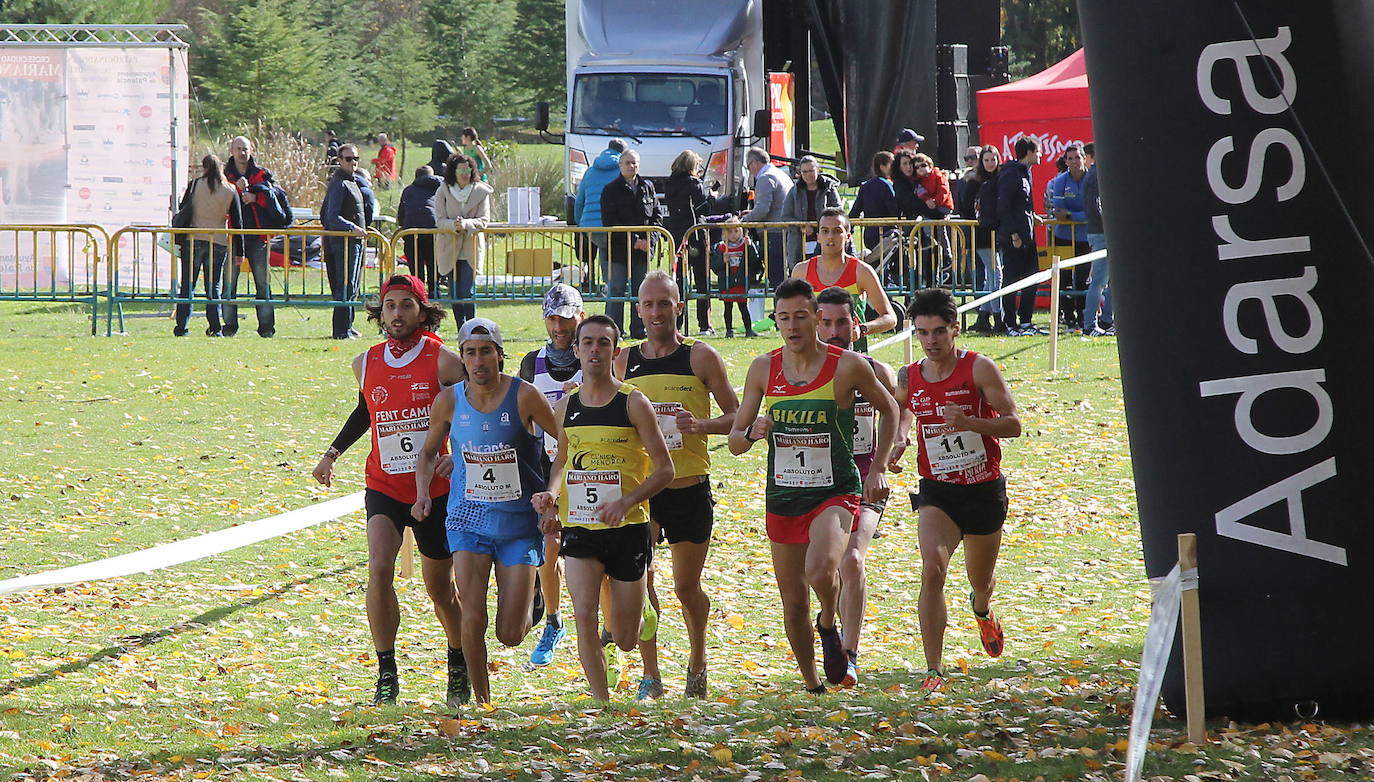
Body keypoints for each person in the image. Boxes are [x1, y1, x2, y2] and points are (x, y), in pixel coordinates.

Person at [728, 278, 897, 692]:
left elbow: (890, 409)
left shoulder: (846, 365)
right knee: (792, 602)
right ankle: (812, 684)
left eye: (801, 317)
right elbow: (734, 442)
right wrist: (754, 432)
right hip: (784, 496)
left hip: (834, 490)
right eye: (783, 318)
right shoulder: (763, 368)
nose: (792, 326)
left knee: (821, 570)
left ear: (817, 319)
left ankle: (828, 621)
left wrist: (877, 468)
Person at [310, 274, 468, 707]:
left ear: (422, 310)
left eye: (405, 305)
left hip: (435, 489)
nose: (396, 313)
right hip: (384, 484)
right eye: (389, 305)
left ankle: (458, 662)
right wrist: (332, 453)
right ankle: (386, 672)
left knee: (440, 589)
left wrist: (463, 453)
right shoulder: (366, 361)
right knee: (379, 568)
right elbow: (366, 410)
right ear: (380, 312)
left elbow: (477, 404)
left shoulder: (444, 361)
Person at [412, 318, 558, 704]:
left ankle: (534, 594)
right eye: (470, 353)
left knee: (510, 633)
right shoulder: (448, 400)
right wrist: (423, 493)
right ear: (462, 359)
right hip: (467, 520)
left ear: (499, 354)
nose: (479, 361)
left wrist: (552, 493)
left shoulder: (525, 396)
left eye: (486, 351)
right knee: (471, 615)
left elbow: (567, 443)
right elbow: (427, 451)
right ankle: (482, 702)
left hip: (517, 525)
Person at [532, 315, 677, 701]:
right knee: (583, 613)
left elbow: (666, 469)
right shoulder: (566, 406)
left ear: (614, 351)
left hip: (628, 528)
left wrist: (626, 501)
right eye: (588, 343)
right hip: (580, 527)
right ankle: (601, 702)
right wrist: (550, 495)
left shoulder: (633, 402)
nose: (595, 350)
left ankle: (640, 609)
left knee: (626, 638)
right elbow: (561, 461)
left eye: (603, 343)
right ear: (576, 349)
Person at [890, 287, 1022, 693]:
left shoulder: (979, 369)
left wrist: (971, 423)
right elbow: (904, 409)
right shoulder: (908, 375)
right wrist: (900, 437)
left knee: (980, 581)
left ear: (955, 329)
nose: (931, 341)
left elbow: (1013, 423)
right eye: (923, 333)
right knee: (932, 568)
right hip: (937, 491)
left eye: (939, 332)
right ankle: (934, 670)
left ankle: (982, 609)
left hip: (982, 490)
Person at [615, 271, 740, 699]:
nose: (655, 312)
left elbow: (737, 419)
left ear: (679, 308)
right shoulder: (624, 360)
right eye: (648, 304)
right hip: (644, 491)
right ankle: (651, 675)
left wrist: (701, 424)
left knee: (686, 587)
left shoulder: (700, 357)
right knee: (641, 580)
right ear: (638, 309)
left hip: (689, 487)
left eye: (664, 304)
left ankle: (698, 659)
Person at [814, 285, 898, 688]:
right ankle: (829, 627)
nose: (834, 331)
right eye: (826, 323)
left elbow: (897, 411)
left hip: (865, 482)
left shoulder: (876, 371)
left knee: (852, 561)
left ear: (856, 325)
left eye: (842, 322)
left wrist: (886, 457)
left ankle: (849, 655)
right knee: (821, 571)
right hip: (819, 485)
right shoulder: (806, 375)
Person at [518, 284, 586, 667]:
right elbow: (523, 413)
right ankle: (554, 622)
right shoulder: (532, 362)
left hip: (594, 465)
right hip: (547, 466)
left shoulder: (596, 351)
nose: (559, 326)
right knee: (549, 546)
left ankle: (603, 625)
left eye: (566, 317)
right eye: (553, 318)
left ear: (580, 315)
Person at [790, 208, 898, 347]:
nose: (830, 236)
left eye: (837, 231)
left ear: (848, 237)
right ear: (818, 237)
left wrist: (862, 329)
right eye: (825, 231)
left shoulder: (862, 271)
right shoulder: (801, 271)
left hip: (852, 356)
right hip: (813, 356)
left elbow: (890, 318)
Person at [173, 154, 242, 338]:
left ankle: (182, 327)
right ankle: (215, 327)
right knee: (213, 287)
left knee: (188, 286)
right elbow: (237, 221)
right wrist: (240, 250)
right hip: (218, 241)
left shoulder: (195, 185)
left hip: (194, 239)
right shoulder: (230, 189)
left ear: (203, 168)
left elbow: (184, 207)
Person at [600, 148, 662, 339]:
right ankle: (613, 331)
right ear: (620, 166)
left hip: (643, 252)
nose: (631, 166)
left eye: (634, 163)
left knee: (641, 291)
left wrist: (649, 242)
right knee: (616, 289)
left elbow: (657, 217)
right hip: (619, 250)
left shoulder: (648, 187)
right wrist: (635, 241)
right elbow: (609, 221)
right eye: (627, 163)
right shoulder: (610, 190)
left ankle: (639, 329)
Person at [222, 135, 278, 338]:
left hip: (257, 237)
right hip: (231, 237)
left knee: (263, 284)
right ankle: (229, 327)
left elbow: (275, 198)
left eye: (245, 148)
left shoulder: (262, 174)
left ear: (251, 149)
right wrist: (236, 189)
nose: (242, 153)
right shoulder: (223, 175)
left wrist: (255, 197)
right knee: (229, 285)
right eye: (238, 149)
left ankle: (266, 328)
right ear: (231, 151)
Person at [320, 143, 377, 340]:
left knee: (352, 286)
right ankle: (340, 330)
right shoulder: (339, 184)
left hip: (355, 242)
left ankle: (348, 325)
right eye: (348, 159)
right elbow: (331, 216)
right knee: (345, 285)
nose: (353, 162)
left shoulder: (353, 181)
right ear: (339, 161)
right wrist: (352, 228)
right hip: (342, 243)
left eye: (356, 159)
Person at [664, 149, 723, 334]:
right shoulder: (694, 183)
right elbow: (702, 209)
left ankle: (678, 321)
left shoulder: (669, 183)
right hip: (695, 234)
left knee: (680, 280)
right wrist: (712, 196)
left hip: (677, 234)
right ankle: (704, 323)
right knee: (701, 279)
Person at [435, 153, 493, 328]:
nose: (464, 174)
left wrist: (466, 224)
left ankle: (472, 325)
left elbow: (484, 220)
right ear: (453, 171)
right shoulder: (443, 190)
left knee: (467, 291)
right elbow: (439, 220)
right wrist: (453, 225)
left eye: (467, 170)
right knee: (454, 292)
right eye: (460, 170)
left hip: (471, 246)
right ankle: (461, 327)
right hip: (449, 247)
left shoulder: (481, 191)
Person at [997, 136, 1042, 336]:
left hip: (1028, 234)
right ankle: (1010, 323)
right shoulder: (1012, 174)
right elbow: (1004, 206)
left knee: (1033, 278)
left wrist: (1032, 217)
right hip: (1014, 237)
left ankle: (1026, 322)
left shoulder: (1025, 173)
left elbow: (1021, 204)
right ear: (1029, 152)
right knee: (1012, 280)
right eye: (1038, 151)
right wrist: (1014, 233)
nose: (1040, 155)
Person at [961, 146, 1005, 334]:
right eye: (986, 160)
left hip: (996, 232)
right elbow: (966, 208)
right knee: (996, 275)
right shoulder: (974, 181)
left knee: (991, 277)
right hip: (981, 234)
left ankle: (983, 316)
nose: (990, 164)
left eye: (993, 160)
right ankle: (998, 317)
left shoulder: (1001, 179)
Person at [1048, 144, 1091, 332]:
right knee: (1063, 278)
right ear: (1065, 161)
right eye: (1070, 158)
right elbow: (1058, 213)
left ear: (1084, 159)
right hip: (1063, 237)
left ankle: (1083, 316)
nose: (1074, 162)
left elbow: (1094, 212)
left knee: (1083, 279)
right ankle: (1068, 317)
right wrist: (1079, 215)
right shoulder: (1060, 181)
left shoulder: (1092, 179)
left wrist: (1072, 215)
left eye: (1077, 158)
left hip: (1086, 238)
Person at [574, 138, 626, 284]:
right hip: (614, 224)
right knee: (615, 251)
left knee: (604, 248)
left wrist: (581, 224)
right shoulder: (622, 171)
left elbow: (579, 202)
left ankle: (606, 283)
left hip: (590, 226)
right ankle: (613, 284)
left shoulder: (590, 171)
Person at [741, 147, 793, 285]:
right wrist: (752, 214)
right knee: (782, 276)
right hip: (783, 231)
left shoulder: (765, 178)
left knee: (776, 278)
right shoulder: (780, 174)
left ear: (754, 163)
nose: (750, 170)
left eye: (748, 166)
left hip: (773, 233)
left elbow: (763, 209)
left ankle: (781, 306)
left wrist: (743, 221)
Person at [780, 155, 842, 268]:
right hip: (800, 243)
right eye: (805, 172)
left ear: (818, 169)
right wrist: (801, 226)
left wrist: (824, 225)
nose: (808, 175)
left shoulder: (829, 188)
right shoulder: (794, 191)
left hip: (827, 240)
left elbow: (839, 211)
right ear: (800, 173)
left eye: (811, 170)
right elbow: (785, 217)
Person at [848, 151, 901, 276]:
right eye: (891, 164)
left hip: (869, 233)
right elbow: (893, 209)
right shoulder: (888, 185)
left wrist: (849, 228)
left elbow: (855, 211)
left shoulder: (865, 186)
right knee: (886, 263)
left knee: (878, 265)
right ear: (882, 167)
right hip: (887, 232)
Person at [709, 216, 762, 338]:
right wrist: (723, 260)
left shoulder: (745, 244)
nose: (733, 234)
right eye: (730, 231)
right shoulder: (721, 247)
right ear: (724, 233)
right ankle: (729, 330)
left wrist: (750, 247)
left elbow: (755, 260)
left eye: (736, 231)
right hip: (727, 282)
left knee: (743, 307)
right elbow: (715, 267)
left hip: (741, 281)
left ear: (741, 232)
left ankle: (749, 330)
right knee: (728, 308)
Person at [1080, 142, 1112, 336]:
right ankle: (1089, 324)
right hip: (1101, 234)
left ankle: (1107, 320)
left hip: (1105, 233)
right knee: (1099, 281)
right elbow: (1095, 207)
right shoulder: (1095, 176)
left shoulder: (1102, 173)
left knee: (1111, 281)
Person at [398, 165, 442, 293]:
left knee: (416, 263)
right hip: (433, 229)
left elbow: (402, 213)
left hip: (412, 230)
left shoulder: (409, 190)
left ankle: (418, 289)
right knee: (433, 261)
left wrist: (403, 226)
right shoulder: (440, 188)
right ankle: (435, 289)